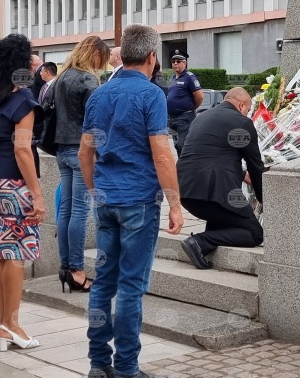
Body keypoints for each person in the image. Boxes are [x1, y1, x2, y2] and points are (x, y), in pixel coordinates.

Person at [79, 24, 183, 378]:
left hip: (106, 199)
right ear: (152, 56)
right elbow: (162, 155)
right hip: (139, 199)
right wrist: (175, 204)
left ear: (123, 54)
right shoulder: (151, 95)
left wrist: (95, 190)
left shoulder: (99, 95)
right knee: (130, 287)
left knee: (103, 282)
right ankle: (126, 368)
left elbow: (84, 154)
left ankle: (98, 363)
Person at [0, 34, 46, 352]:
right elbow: (22, 149)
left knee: (2, 253)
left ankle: (3, 323)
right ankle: (11, 325)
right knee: (16, 255)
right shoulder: (24, 101)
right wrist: (37, 193)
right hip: (17, 184)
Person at [177, 88, 264, 270]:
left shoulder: (201, 117)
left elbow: (209, 153)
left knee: (226, 218)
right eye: (248, 110)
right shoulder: (242, 122)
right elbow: (255, 167)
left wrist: (241, 175)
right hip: (214, 195)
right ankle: (199, 242)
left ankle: (207, 240)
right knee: (254, 232)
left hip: (185, 192)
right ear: (242, 105)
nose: (247, 114)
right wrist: (266, 200)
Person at [53, 35, 110, 293]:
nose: (102, 66)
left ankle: (65, 266)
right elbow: (98, 120)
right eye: (102, 59)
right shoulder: (88, 80)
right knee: (79, 211)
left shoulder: (62, 77)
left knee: (65, 210)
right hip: (81, 151)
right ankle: (76, 270)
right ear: (95, 54)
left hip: (61, 149)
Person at [166, 49, 202, 157]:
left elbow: (199, 96)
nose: (175, 63)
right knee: (176, 145)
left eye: (178, 61)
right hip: (173, 118)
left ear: (185, 63)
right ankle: (180, 165)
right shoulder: (172, 78)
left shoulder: (189, 77)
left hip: (185, 117)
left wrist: (191, 108)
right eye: (173, 61)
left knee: (184, 145)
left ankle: (187, 165)